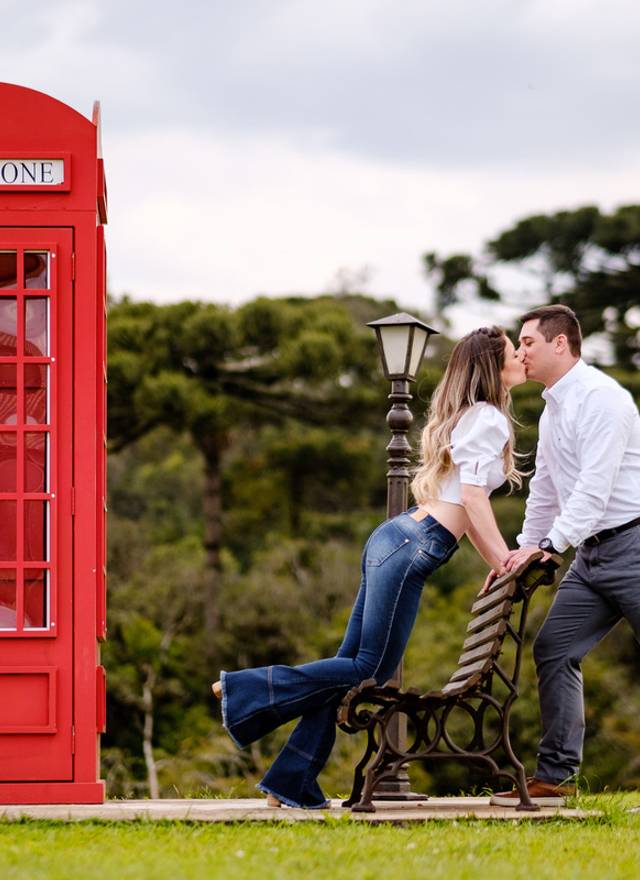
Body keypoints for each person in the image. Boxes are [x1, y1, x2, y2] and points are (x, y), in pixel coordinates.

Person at [213, 326, 527, 809]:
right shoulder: (488, 419)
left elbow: (464, 500)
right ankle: (246, 688)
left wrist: (495, 560)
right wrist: (505, 558)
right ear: (493, 366)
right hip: (415, 545)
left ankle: (291, 779)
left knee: (350, 668)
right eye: (513, 353)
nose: (521, 358)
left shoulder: (470, 416)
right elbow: (472, 499)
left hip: (397, 537)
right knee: (367, 670)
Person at [490, 304, 640, 808]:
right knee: (555, 649)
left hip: (634, 546)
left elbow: (594, 491)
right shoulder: (554, 407)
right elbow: (547, 491)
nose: (520, 352)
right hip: (592, 556)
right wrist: (522, 553)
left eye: (528, 342)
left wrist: (551, 546)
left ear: (560, 343)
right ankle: (555, 778)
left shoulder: (603, 400)